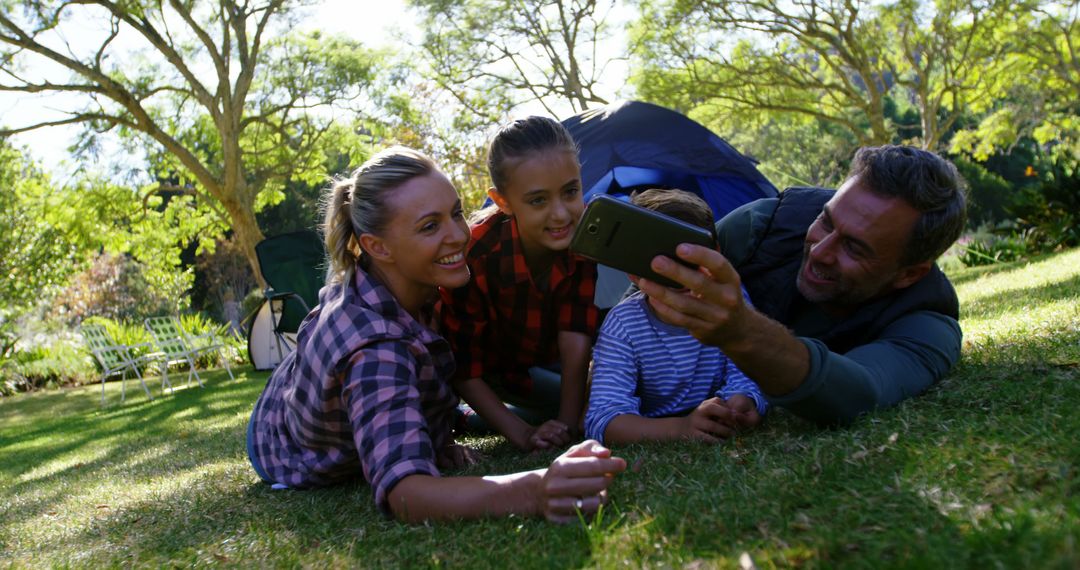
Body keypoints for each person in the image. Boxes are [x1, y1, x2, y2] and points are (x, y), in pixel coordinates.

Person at [246, 147, 625, 523]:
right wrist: (535, 489)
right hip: (281, 441)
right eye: (430, 226)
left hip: (297, 388)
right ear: (377, 247)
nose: (459, 236)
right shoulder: (375, 350)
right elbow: (407, 494)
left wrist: (438, 436)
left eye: (456, 213)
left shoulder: (418, 283)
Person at [636, 145, 967, 426]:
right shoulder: (763, 226)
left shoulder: (927, 322)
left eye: (855, 248)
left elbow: (864, 391)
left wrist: (741, 332)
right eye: (826, 221)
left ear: (909, 274)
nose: (820, 251)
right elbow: (635, 305)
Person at [439, 117, 600, 451]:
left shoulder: (582, 237)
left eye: (570, 191)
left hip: (539, 359)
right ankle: (462, 418)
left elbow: (575, 335)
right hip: (485, 372)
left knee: (598, 396)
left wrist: (569, 427)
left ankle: (479, 419)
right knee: (558, 400)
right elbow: (465, 368)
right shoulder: (476, 254)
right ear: (503, 202)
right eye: (538, 200)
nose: (560, 214)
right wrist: (522, 435)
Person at [585, 189, 769, 445]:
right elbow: (603, 420)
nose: (677, 274)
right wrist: (682, 427)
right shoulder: (623, 325)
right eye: (659, 265)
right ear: (633, 274)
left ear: (715, 255)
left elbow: (746, 371)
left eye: (688, 258)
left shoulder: (729, 301)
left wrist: (742, 400)